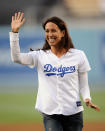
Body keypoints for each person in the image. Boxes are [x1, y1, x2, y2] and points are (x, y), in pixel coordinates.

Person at [10, 12, 100, 131]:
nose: (50, 34)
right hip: (50, 114)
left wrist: (87, 98)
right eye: (47, 31)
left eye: (53, 30)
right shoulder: (39, 56)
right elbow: (16, 58)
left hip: (74, 112)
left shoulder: (78, 55)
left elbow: (83, 83)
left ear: (62, 33)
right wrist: (15, 33)